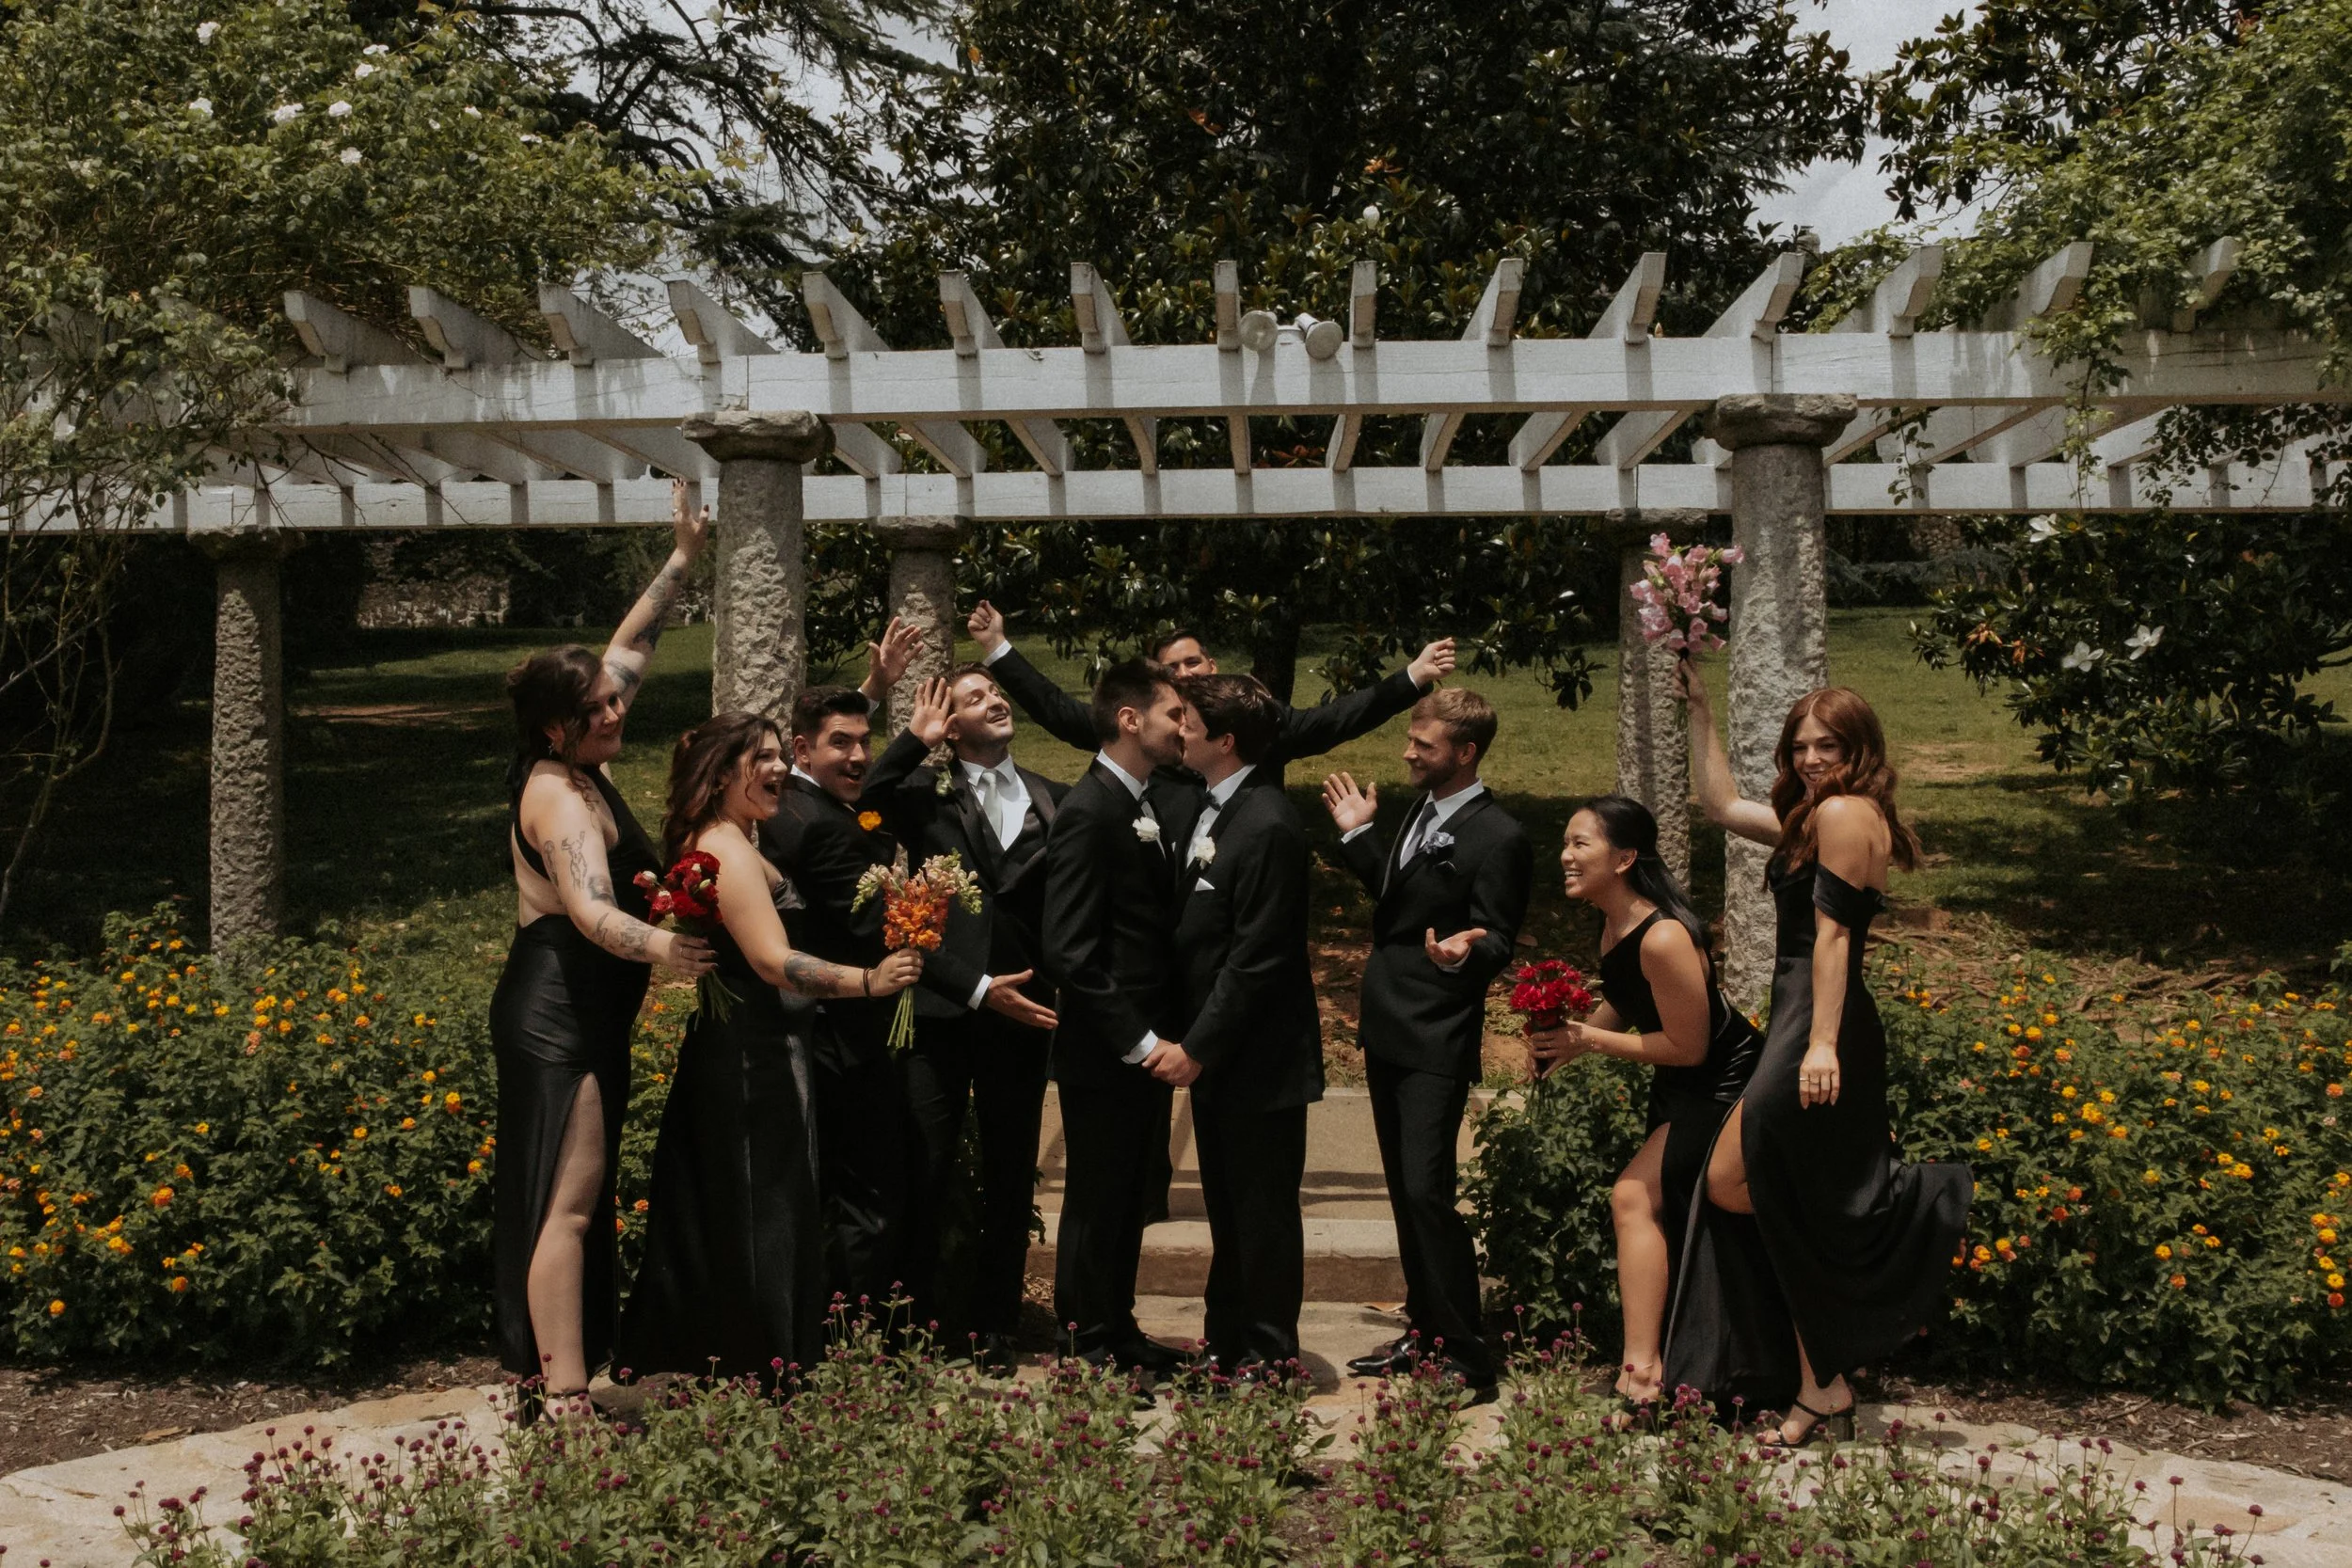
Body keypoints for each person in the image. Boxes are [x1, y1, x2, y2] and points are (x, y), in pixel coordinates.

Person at [1666, 672, 1971, 1448]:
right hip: (1803, 1017)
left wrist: (1822, 1042)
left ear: (1858, 748)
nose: (1808, 758)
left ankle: (1837, 1345)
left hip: (1819, 1022)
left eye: (1825, 745)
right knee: (1750, 1188)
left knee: (1741, 1182)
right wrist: (1702, 713)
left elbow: (1834, 939)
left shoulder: (1840, 813)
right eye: (1799, 746)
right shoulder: (1820, 816)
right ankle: (1820, 1377)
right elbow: (1721, 807)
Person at [490, 480, 717, 1420]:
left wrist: (681, 557)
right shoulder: (555, 796)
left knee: (578, 1198)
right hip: (558, 1011)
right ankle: (568, 1393)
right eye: (598, 709)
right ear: (555, 725)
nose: (618, 710)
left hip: (588, 1005)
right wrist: (669, 945)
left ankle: (569, 1368)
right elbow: (587, 912)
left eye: (611, 702)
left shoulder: (582, 759)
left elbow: (630, 645)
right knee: (569, 1200)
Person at [618, 713, 924, 1385]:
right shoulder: (724, 850)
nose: (780, 768)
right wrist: (868, 981)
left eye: (779, 755)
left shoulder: (736, 835)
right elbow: (772, 962)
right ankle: (767, 1370)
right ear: (723, 773)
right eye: (761, 757)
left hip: (764, 1043)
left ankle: (754, 1360)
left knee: (766, 1207)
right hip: (750, 1057)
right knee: (766, 1211)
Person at [1322, 689, 1531, 1398]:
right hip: (1387, 1025)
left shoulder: (1499, 835)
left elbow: (1498, 934)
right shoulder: (1418, 810)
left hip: (1437, 1033)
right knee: (1407, 1196)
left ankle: (1468, 1357)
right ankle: (1426, 1333)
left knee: (1427, 1190)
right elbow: (1396, 895)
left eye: (1425, 743)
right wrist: (1358, 835)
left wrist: (1468, 952)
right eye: (1411, 738)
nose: (1409, 750)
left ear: (1465, 752)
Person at [1526, 797, 1762, 1408]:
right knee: (1639, 1197)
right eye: (1566, 842)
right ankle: (1646, 1364)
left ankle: (1643, 1369)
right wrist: (1567, 1046)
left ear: (1625, 857)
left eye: (1581, 843)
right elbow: (1629, 995)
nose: (1565, 855)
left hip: (1728, 1083)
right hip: (1689, 1082)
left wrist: (1587, 1038)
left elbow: (1690, 1046)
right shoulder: (1614, 921)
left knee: (1632, 1194)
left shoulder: (1662, 935)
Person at [861, 667, 1066, 1365]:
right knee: (926, 1161)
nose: (997, 700)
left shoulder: (1049, 796)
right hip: (943, 1003)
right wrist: (914, 743)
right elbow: (864, 798)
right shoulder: (923, 795)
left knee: (1011, 1172)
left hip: (1025, 1010)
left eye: (995, 693)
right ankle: (905, 1324)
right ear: (950, 722)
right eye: (975, 697)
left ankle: (995, 1324)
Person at [1041, 657, 1200, 1377]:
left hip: (1143, 1046)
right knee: (1096, 1198)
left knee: (1131, 1194)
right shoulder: (1090, 808)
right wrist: (1138, 1040)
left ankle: (1120, 1325)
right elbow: (1069, 950)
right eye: (1173, 713)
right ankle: (1086, 1342)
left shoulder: (1141, 799)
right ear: (1131, 719)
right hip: (1107, 1049)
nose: (1184, 726)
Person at [1168, 673, 1325, 1378]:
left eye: (1190, 723)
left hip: (1259, 1059)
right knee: (1230, 1212)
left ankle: (1268, 1354)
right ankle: (1227, 1344)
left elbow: (1256, 957)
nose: (1178, 731)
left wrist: (1197, 1047)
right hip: (1225, 1057)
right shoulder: (1216, 808)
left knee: (1262, 1215)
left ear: (1225, 742)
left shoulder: (1267, 823)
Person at [758, 683, 913, 1316]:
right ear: (802, 748)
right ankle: (857, 1332)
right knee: (863, 1191)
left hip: (834, 1025)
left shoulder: (797, 802)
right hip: (842, 1033)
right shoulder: (814, 824)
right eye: (839, 743)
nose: (857, 756)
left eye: (863, 742)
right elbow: (874, 925)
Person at [966, 602, 1458, 773]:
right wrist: (998, 649)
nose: (1186, 674)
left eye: (1193, 662)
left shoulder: (1254, 715)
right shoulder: (1139, 726)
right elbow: (1058, 711)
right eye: (1172, 669)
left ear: (1212, 663)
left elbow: (1334, 721)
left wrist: (1411, 677)